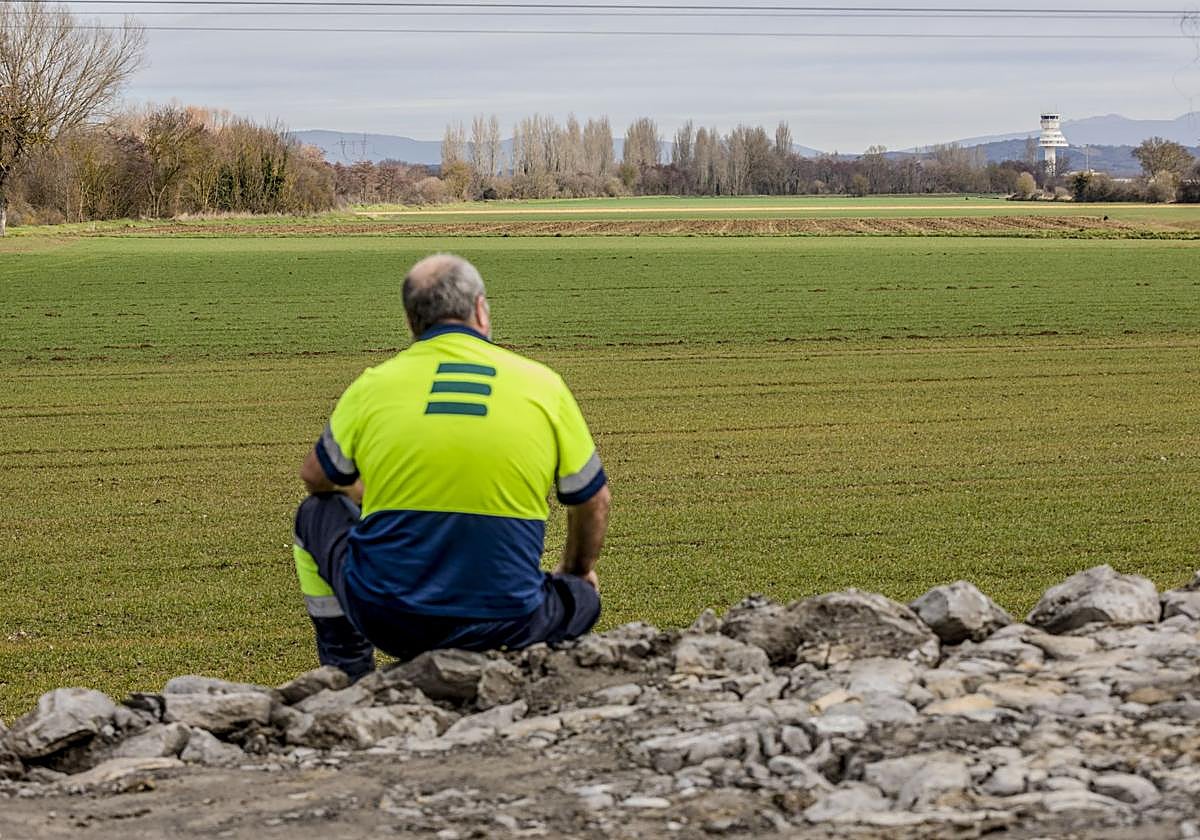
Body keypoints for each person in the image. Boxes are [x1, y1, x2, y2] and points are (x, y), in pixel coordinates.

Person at [291, 253, 610, 679]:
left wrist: (368, 494)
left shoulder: (373, 385)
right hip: (510, 622)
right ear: (480, 309)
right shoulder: (543, 386)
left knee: (314, 514)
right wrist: (574, 572)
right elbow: (593, 503)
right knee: (582, 594)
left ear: (411, 323)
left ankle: (347, 671)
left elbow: (315, 478)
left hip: (393, 622)